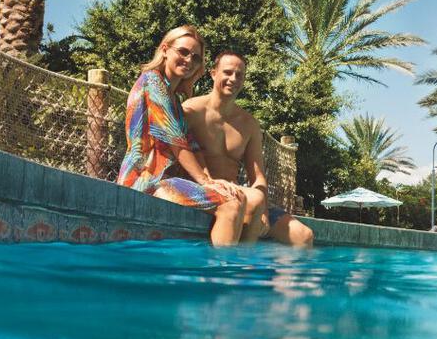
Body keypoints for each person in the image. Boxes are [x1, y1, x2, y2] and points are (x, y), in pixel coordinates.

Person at [116, 26, 247, 247]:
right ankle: (221, 275)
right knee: (230, 203)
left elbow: (192, 146)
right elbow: (176, 141)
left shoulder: (175, 100)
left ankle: (221, 265)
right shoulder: (152, 81)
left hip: (163, 181)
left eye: (196, 58)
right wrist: (206, 182)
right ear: (165, 49)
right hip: (143, 180)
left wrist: (212, 180)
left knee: (235, 197)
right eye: (183, 52)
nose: (189, 60)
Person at [183, 50, 314, 247]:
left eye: (239, 75)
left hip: (241, 194)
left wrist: (264, 210)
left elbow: (258, 177)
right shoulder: (191, 111)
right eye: (227, 72)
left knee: (304, 236)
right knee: (251, 200)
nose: (233, 79)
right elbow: (179, 154)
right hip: (204, 189)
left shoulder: (249, 123)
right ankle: (239, 268)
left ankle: (266, 273)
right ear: (213, 73)